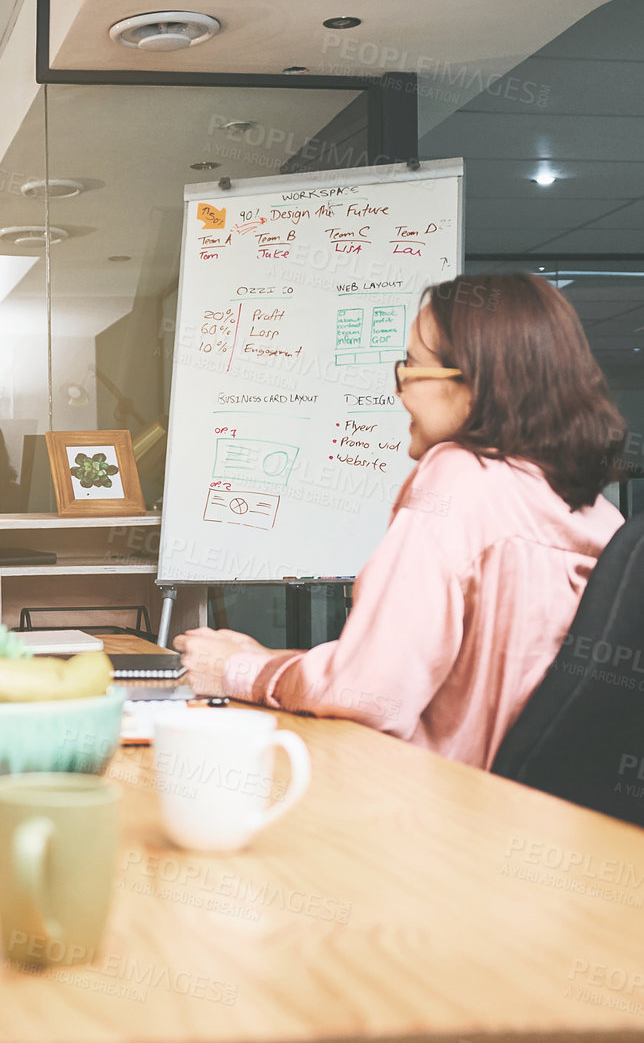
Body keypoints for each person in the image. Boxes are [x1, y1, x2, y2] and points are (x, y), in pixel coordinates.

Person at [175, 273, 626, 769]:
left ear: (476, 384)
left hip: (430, 813)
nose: (399, 389)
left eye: (411, 367)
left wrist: (240, 672)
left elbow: (367, 692)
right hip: (529, 821)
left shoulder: (461, 475)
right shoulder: (603, 518)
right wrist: (274, 662)